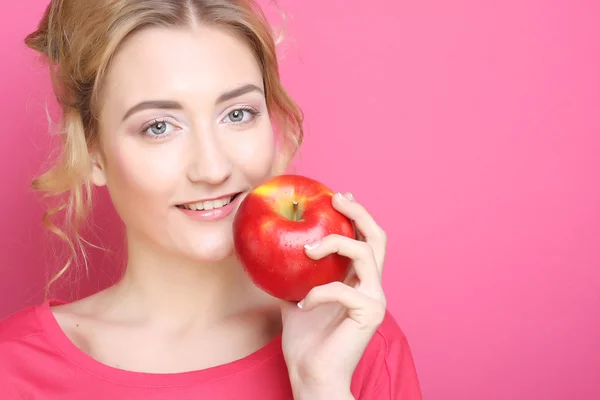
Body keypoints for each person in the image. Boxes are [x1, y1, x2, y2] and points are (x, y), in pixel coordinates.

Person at [0, 0, 422, 398]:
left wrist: (320, 385)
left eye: (237, 114)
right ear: (93, 151)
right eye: (159, 126)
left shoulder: (354, 342)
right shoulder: (15, 370)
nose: (213, 168)